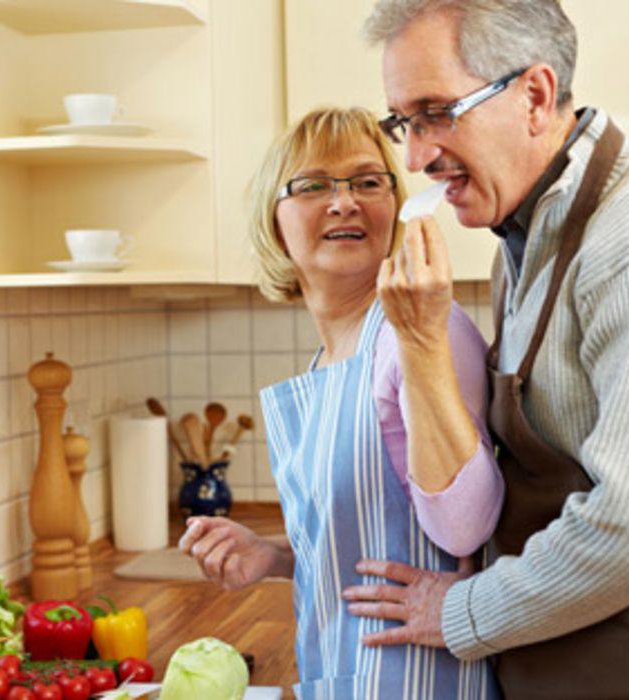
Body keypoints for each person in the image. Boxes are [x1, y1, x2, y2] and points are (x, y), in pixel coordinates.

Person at [340, 1, 629, 697]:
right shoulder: (525, 233)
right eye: (403, 121)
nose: (415, 157)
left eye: (434, 113)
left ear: (535, 96)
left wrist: (457, 610)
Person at [179, 106, 504, 698]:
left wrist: (422, 338)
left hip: (424, 681)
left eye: (367, 181)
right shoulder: (331, 358)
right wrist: (274, 556)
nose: (344, 202)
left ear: (397, 206)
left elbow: (463, 528)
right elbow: (383, 541)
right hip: (347, 671)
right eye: (313, 185)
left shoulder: (425, 331)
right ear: (273, 220)